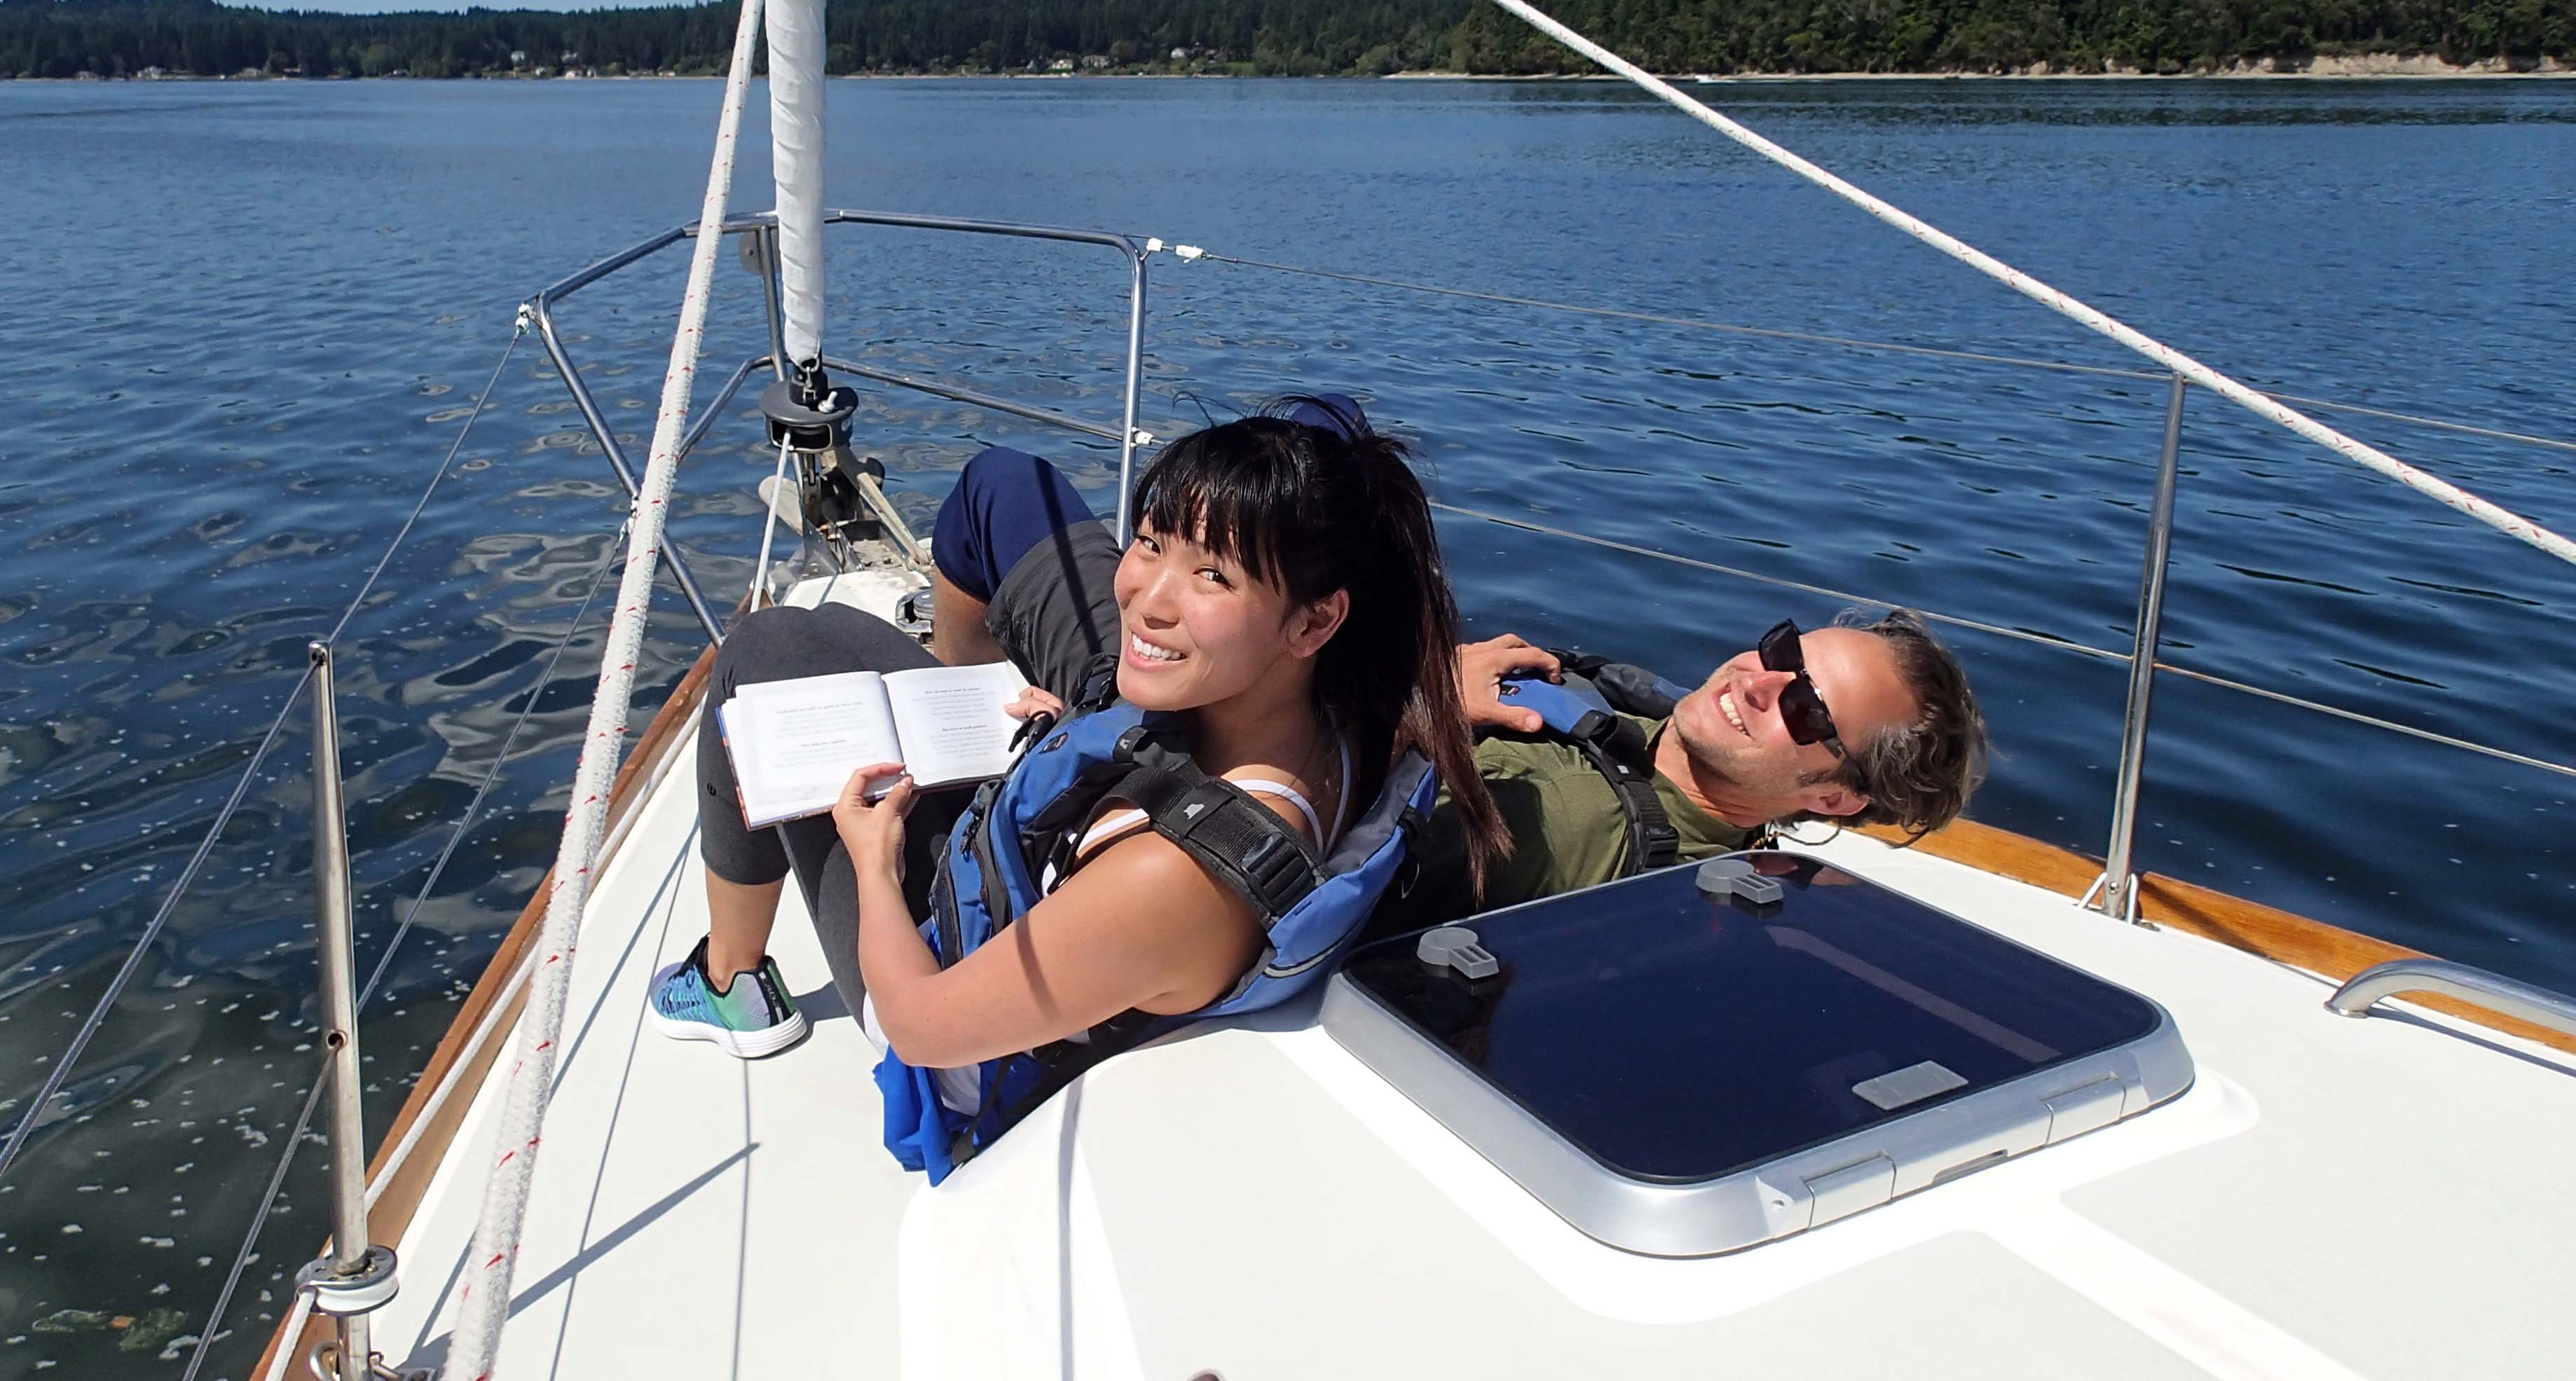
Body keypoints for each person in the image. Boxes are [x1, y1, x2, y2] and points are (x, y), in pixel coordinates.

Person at [647, 401, 1505, 1092]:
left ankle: (733, 989)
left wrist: (873, 861)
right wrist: (1080, 735)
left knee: (765, 653)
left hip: (946, 977)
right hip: (1046, 861)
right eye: (1152, 543)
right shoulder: (1351, 706)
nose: (1145, 599)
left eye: (1213, 576)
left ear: (1316, 621)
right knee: (951, 527)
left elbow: (921, 1030)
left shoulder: (1174, 879)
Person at [1376, 610, 1989, 927]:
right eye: (1784, 653)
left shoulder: (1560, 815)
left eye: (1805, 709)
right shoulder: (1727, 825)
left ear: (1834, 798)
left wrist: (1418, 704)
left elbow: (1306, 883)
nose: (1758, 681)